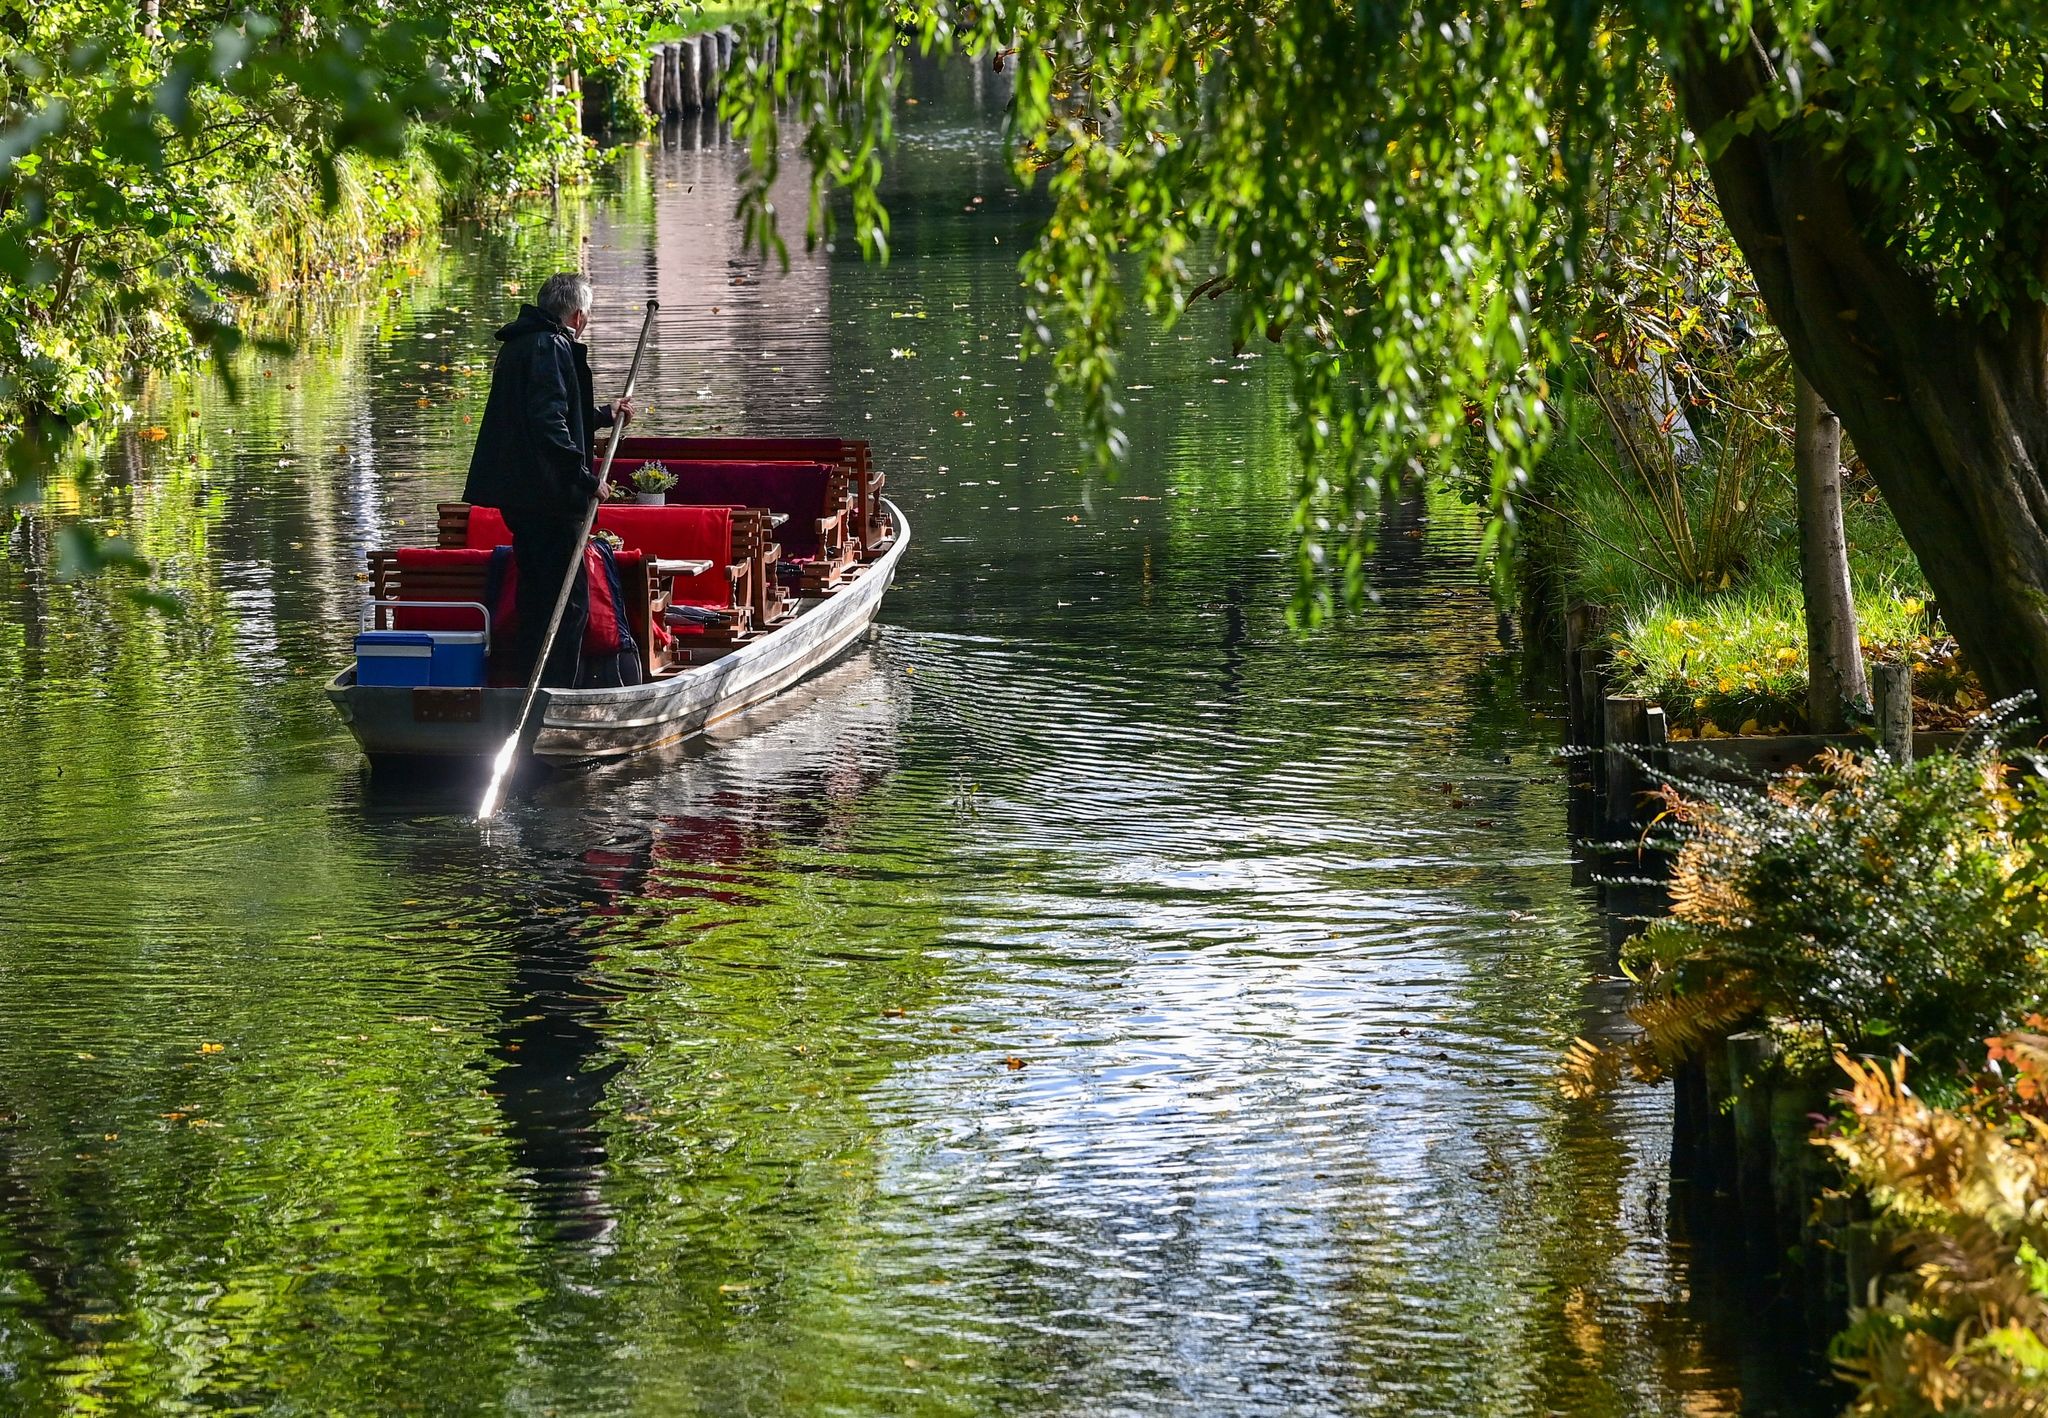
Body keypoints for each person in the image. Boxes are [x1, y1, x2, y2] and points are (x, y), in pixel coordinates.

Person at [462, 273, 633, 687]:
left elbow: (545, 417)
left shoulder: (522, 343)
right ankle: (555, 693)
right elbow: (548, 425)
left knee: (537, 598)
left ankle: (530, 686)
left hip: (523, 496)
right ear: (577, 316)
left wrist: (603, 415)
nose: (587, 321)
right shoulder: (550, 346)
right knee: (568, 604)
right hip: (550, 498)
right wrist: (585, 479)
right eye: (588, 314)